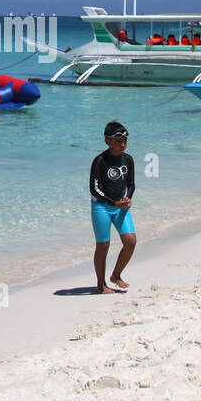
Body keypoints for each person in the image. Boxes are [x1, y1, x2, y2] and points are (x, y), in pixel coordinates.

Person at [89, 121, 136, 294]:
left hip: (120, 207)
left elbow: (131, 184)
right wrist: (113, 203)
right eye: (119, 141)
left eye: (125, 140)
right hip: (102, 207)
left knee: (130, 241)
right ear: (108, 141)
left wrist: (128, 199)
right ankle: (101, 284)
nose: (123, 144)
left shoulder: (128, 159)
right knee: (103, 246)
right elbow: (94, 189)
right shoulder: (100, 161)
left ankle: (116, 275)